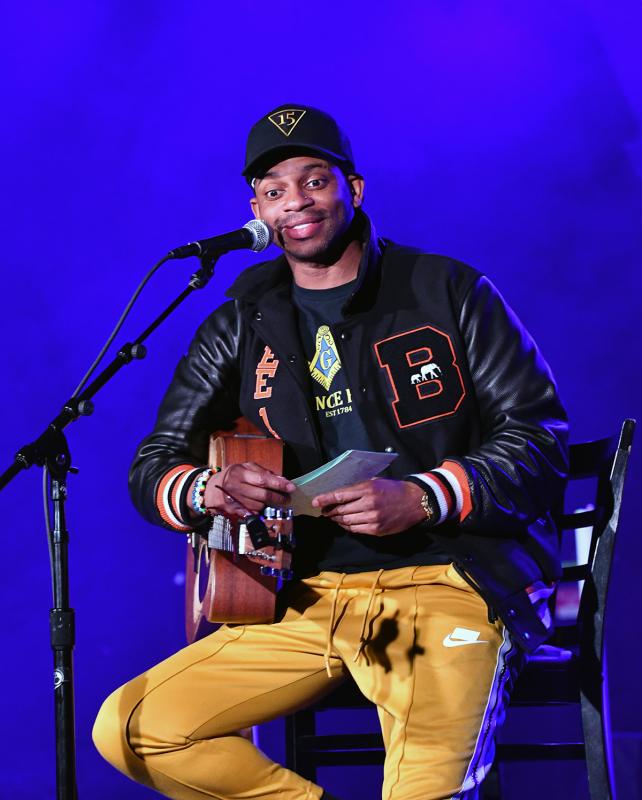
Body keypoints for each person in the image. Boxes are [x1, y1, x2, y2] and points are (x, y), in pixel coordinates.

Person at [93, 104, 569, 800]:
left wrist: (423, 495)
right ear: (255, 208)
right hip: (303, 601)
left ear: (354, 187)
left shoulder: (446, 289)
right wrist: (204, 491)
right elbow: (155, 462)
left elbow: (539, 438)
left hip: (450, 585)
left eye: (314, 181)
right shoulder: (239, 320)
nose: (297, 203)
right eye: (275, 190)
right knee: (133, 727)